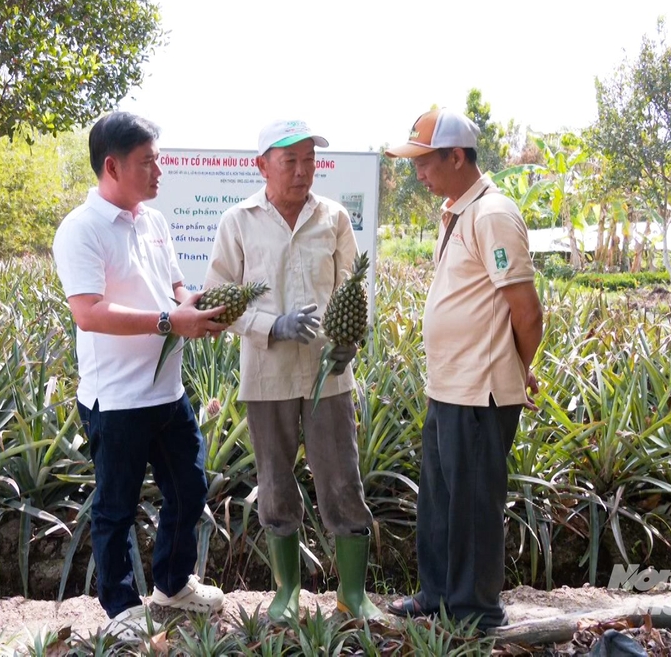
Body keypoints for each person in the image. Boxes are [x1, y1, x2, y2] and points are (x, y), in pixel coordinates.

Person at [52, 111, 227, 641]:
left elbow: (174, 288)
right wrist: (169, 320)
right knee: (116, 507)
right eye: (148, 161)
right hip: (118, 398)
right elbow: (89, 312)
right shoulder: (80, 230)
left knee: (190, 488)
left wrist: (195, 305)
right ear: (112, 165)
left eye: (159, 159)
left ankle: (172, 586)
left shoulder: (154, 221)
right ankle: (122, 608)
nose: (159, 170)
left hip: (167, 392)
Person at [204, 119, 383, 624]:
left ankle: (354, 594)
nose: (303, 171)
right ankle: (287, 595)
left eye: (310, 160)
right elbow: (218, 299)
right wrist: (270, 324)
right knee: (276, 483)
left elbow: (354, 288)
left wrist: (350, 340)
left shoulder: (334, 217)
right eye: (291, 161)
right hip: (267, 373)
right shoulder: (237, 221)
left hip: (329, 375)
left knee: (343, 480)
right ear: (262, 165)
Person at [381, 108, 544, 631]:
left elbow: (527, 311)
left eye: (426, 163)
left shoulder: (492, 214)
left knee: (472, 505)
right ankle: (437, 594)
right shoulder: (457, 212)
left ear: (457, 156)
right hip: (450, 385)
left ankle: (474, 613)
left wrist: (518, 366)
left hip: (481, 392)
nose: (419, 175)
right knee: (441, 498)